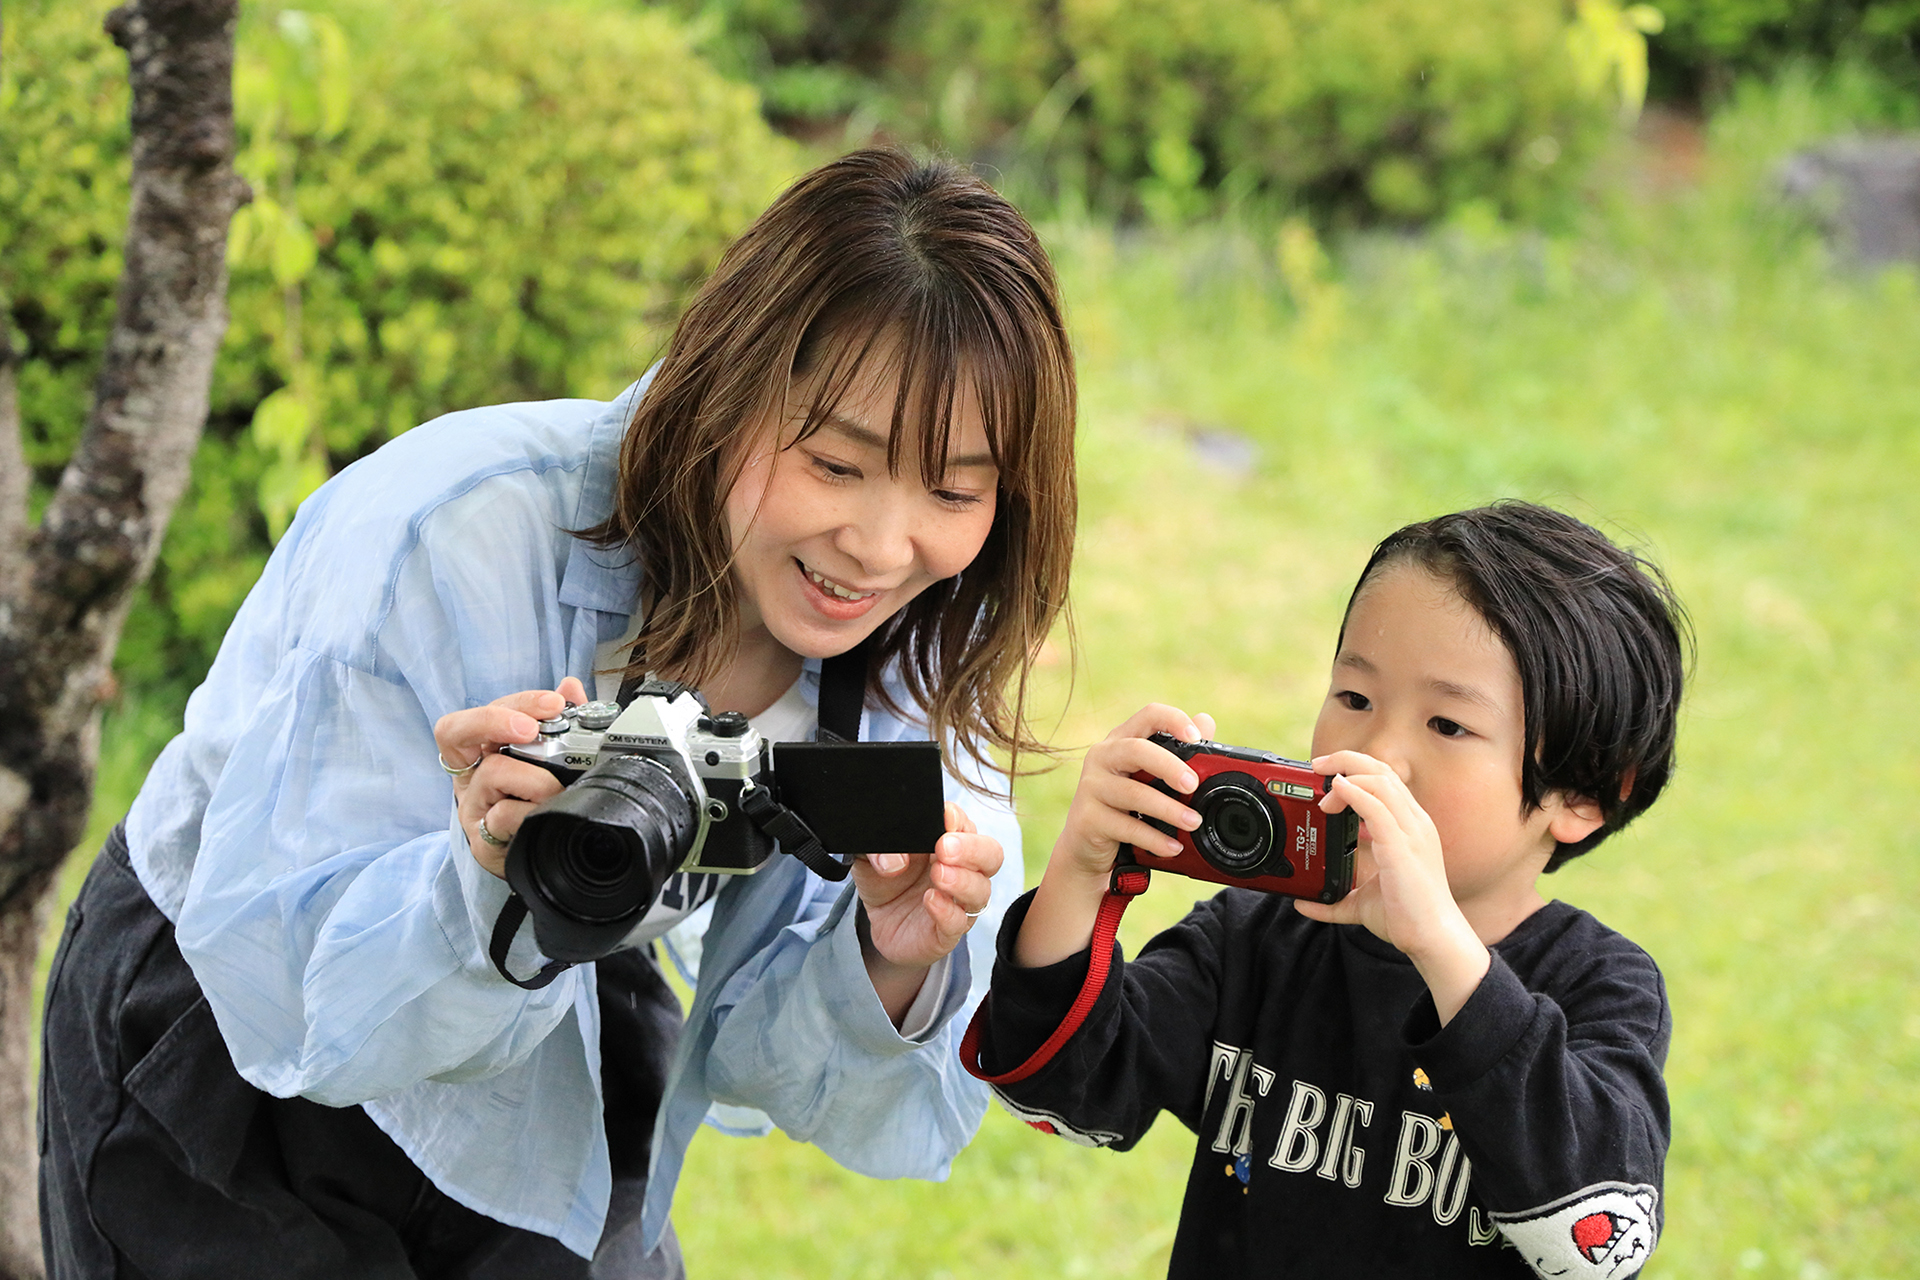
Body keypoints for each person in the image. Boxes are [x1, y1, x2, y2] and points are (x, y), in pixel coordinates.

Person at [39, 148, 1077, 1278]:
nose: (878, 547)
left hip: (561, 959)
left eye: (954, 490)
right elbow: (299, 990)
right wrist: (474, 866)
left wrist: (892, 955)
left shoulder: (912, 631)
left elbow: (815, 1077)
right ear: (727, 383)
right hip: (243, 1005)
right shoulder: (449, 534)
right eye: (834, 463)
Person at [965, 502, 1687, 1279]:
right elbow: (1063, 1089)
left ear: (1582, 795)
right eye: (1354, 698)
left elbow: (1596, 1242)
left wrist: (1440, 947)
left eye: (1447, 725)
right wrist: (1081, 872)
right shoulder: (1257, 939)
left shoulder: (1602, 986)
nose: (1375, 751)